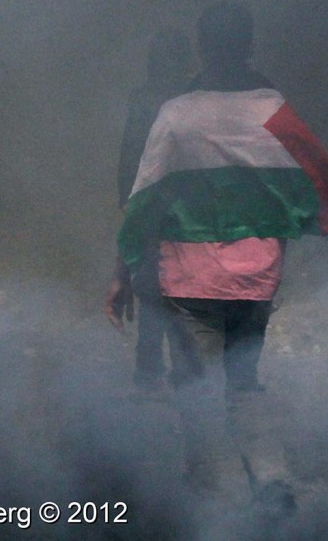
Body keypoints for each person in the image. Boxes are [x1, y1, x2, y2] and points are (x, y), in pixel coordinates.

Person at [106, 2, 328, 511]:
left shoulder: (176, 112)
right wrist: (326, 228)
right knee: (243, 380)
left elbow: (145, 197)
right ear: (250, 45)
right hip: (257, 275)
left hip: (188, 275)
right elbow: (324, 187)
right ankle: (269, 476)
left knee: (192, 377)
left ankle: (201, 490)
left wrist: (125, 269)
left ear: (200, 47)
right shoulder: (274, 109)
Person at [112, 29, 193, 392]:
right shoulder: (191, 97)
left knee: (149, 287)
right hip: (183, 204)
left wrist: (127, 199)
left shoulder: (144, 97)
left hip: (150, 201)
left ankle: (149, 374)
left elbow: (130, 153)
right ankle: (180, 371)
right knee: (180, 286)